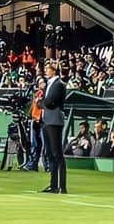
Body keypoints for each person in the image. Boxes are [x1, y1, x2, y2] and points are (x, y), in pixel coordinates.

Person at [40, 61, 68, 194]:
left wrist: (40, 103)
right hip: (47, 120)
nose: (46, 71)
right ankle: (53, 185)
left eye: (48, 69)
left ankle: (62, 185)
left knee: (57, 154)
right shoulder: (50, 84)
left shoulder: (59, 84)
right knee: (50, 153)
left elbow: (50, 101)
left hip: (54, 120)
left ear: (54, 70)